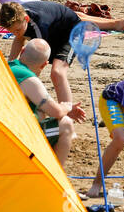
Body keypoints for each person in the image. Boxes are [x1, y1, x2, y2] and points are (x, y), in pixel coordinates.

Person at [0, 0, 124, 105]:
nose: (15, 33)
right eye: (11, 31)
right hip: (56, 29)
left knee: (57, 72)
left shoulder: (40, 25)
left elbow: (39, 62)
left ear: (26, 19)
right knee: (23, 64)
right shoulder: (18, 18)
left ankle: (66, 114)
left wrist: (27, 83)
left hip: (73, 31)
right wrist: (10, 66)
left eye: (17, 30)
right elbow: (19, 39)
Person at [5, 33, 85, 169]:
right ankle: (56, 177)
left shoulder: (7, 66)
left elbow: (45, 107)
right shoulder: (29, 79)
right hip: (17, 138)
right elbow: (57, 112)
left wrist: (62, 110)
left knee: (41, 112)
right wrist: (68, 107)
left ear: (22, 51)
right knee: (65, 125)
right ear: (44, 65)